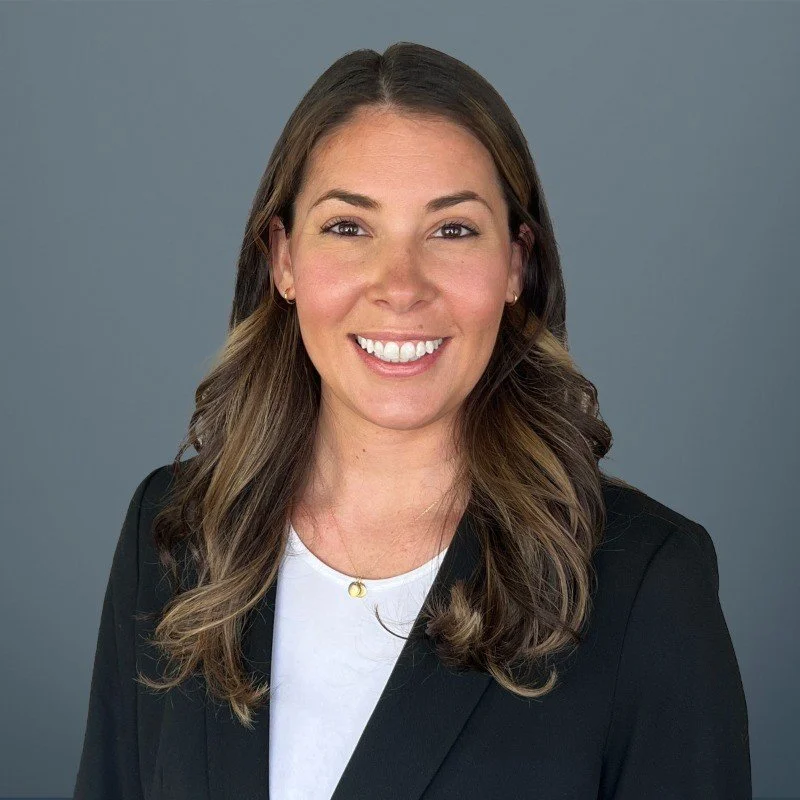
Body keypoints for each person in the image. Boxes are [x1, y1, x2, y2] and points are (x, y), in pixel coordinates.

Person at [73, 42, 751, 800]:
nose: (401, 287)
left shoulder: (646, 585)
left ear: (516, 266)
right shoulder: (173, 537)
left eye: (452, 230)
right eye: (349, 228)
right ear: (284, 257)